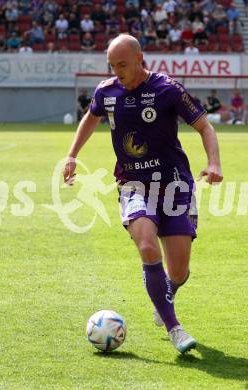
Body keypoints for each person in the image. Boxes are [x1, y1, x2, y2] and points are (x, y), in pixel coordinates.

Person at [63, 34, 223, 354]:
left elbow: (205, 126)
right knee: (148, 247)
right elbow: (90, 118)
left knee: (177, 271)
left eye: (122, 64)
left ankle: (167, 293)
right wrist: (71, 155)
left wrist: (214, 162)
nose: (117, 70)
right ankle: (173, 327)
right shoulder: (106, 92)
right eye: (112, 65)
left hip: (175, 185)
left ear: (140, 59)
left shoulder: (168, 89)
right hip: (133, 185)